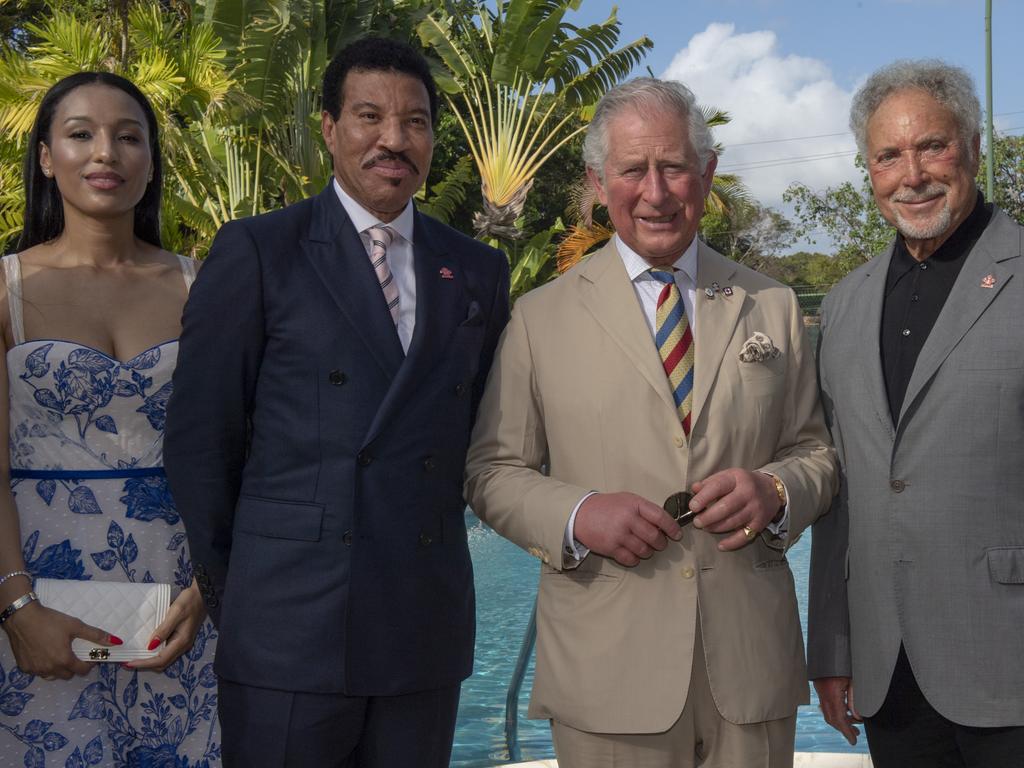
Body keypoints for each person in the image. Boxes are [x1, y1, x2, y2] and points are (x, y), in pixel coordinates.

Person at [465, 77, 836, 768]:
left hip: (749, 671)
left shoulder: (773, 305)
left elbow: (816, 452)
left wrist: (777, 492)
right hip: (606, 676)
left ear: (708, 174)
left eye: (674, 167)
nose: (656, 191)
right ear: (599, 182)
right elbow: (491, 471)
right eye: (634, 170)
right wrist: (578, 513)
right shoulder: (540, 318)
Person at [163, 36, 510, 768]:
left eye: (415, 121)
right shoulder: (260, 251)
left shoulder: (476, 268)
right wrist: (244, 599)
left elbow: (482, 432)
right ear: (329, 128)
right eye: (369, 116)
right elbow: (200, 441)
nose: (394, 139)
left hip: (421, 626)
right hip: (290, 631)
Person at [808, 59, 1024, 767]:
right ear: (867, 170)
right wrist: (832, 651)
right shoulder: (842, 305)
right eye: (888, 156)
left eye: (932, 146)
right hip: (891, 673)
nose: (913, 174)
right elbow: (841, 492)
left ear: (972, 149)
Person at [0, 72, 220, 766]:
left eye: (129, 137)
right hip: (36, 599)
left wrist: (209, 589)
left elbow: (237, 449)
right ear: (44, 156)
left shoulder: (204, 284)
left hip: (180, 602)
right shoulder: (5, 289)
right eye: (81, 134)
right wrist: (16, 609)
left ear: (151, 162)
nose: (107, 154)